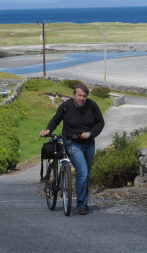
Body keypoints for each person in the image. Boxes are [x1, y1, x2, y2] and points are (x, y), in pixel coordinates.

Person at [40, 83, 104, 215]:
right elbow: (56, 119)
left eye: (84, 96)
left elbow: (100, 122)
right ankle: (82, 205)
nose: (82, 98)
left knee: (87, 174)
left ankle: (83, 201)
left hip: (89, 143)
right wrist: (48, 130)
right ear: (73, 95)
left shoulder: (92, 106)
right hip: (71, 142)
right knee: (83, 172)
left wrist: (90, 133)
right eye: (79, 95)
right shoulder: (66, 106)